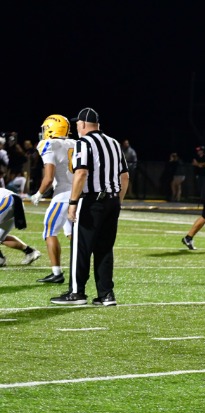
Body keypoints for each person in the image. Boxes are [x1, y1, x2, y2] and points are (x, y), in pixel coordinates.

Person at [50, 107, 129, 306]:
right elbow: (125, 177)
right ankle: (106, 294)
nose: (77, 126)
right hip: (112, 200)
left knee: (81, 247)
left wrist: (73, 202)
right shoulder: (114, 143)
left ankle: (76, 292)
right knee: (105, 248)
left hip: (92, 200)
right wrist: (117, 201)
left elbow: (81, 173)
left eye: (78, 123)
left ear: (84, 124)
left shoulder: (84, 143)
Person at [30, 114, 76, 283]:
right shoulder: (76, 143)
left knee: (49, 231)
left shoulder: (49, 144)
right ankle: (79, 267)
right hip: (79, 194)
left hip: (63, 195)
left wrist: (39, 193)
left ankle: (57, 273)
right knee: (72, 233)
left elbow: (49, 178)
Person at [0, 187, 41, 267]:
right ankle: (30, 252)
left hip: (7, 200)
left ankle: (0, 259)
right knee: (1, 238)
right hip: (14, 202)